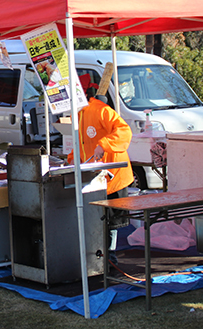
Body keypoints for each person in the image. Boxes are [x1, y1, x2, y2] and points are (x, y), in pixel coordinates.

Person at [67, 74, 133, 266]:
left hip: (115, 176)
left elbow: (124, 130)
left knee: (112, 221)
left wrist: (103, 144)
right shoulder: (78, 114)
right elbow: (81, 144)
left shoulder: (100, 109)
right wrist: (70, 161)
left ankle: (110, 258)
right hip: (97, 177)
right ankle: (100, 256)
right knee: (100, 218)